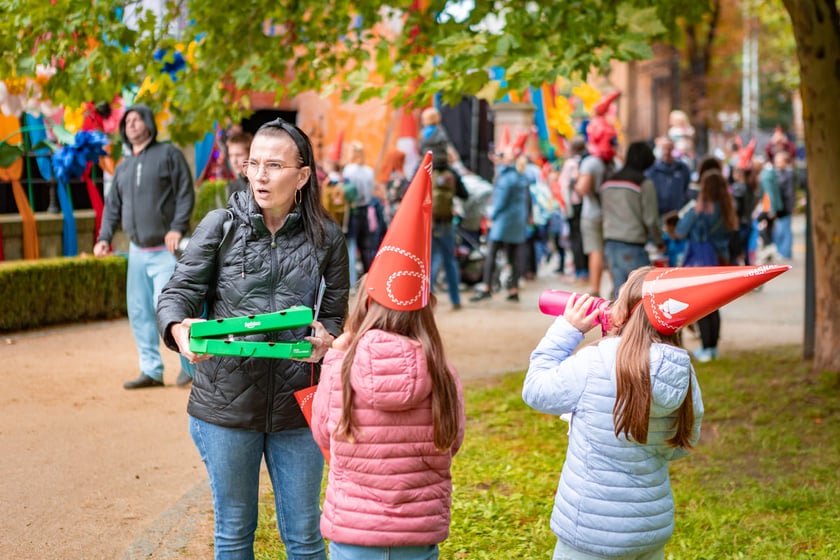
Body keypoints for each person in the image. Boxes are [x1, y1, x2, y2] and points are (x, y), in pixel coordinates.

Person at [156, 117, 350, 559]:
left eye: (275, 165)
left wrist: (327, 336)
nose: (260, 175)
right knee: (234, 532)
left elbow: (335, 312)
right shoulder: (219, 225)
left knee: (304, 537)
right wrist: (178, 328)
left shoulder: (327, 238)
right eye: (254, 163)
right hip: (224, 405)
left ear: (302, 176)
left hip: (297, 406)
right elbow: (177, 294)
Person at [311, 152, 465, 560]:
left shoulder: (340, 365)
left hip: (354, 534)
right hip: (419, 534)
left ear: (365, 306)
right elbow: (454, 441)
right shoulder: (443, 373)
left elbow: (323, 435)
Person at [522, 266, 704, 560]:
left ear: (626, 313)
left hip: (589, 531)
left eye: (618, 297)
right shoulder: (682, 370)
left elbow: (535, 390)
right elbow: (685, 439)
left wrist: (567, 330)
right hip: (648, 530)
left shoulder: (595, 361)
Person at [93, 103, 195, 389]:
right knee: (139, 311)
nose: (132, 124)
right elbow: (112, 206)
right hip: (137, 252)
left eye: (138, 119)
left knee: (169, 309)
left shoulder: (169, 154)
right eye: (128, 121)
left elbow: (185, 193)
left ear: (149, 123)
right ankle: (151, 370)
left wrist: (177, 227)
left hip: (166, 251)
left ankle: (189, 365)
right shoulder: (123, 167)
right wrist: (103, 238)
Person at [674, 170, 739, 362]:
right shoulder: (726, 208)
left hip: (700, 263)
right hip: (720, 260)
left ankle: (705, 348)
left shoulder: (700, 209)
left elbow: (680, 231)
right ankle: (713, 348)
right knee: (715, 306)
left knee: (702, 306)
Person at [419, 107, 469, 310]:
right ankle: (455, 299)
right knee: (450, 260)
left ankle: (425, 301)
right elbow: (465, 195)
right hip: (447, 221)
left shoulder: (422, 172)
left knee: (427, 262)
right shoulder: (450, 174)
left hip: (428, 222)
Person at [600, 141, 664, 298]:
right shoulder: (644, 183)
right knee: (640, 297)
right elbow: (650, 219)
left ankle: (619, 324)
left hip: (610, 244)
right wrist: (659, 242)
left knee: (620, 297)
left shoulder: (608, 182)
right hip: (632, 245)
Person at [469, 145, 531, 303]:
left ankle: (486, 287)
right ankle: (513, 288)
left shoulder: (505, 177)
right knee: (513, 256)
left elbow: (501, 202)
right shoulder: (521, 175)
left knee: (492, 253)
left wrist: (492, 216)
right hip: (517, 221)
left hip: (503, 221)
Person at [575, 92, 620, 298]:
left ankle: (594, 289)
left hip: (592, 212)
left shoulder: (590, 162)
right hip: (611, 213)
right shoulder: (614, 162)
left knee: (596, 251)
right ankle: (614, 287)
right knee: (610, 252)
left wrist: (576, 183)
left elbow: (582, 189)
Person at [343, 140, 377, 285]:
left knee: (350, 246)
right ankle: (370, 281)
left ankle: (351, 283)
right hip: (366, 210)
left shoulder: (348, 170)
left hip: (352, 211)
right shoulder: (369, 171)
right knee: (366, 247)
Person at [558, 136, 589, 282]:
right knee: (584, 237)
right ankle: (585, 270)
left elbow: (563, 184)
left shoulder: (570, 163)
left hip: (574, 204)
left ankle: (580, 271)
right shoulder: (586, 161)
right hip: (586, 203)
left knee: (576, 238)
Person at [759, 151, 796, 261]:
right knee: (780, 231)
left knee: (784, 230)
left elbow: (788, 192)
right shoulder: (777, 173)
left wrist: (790, 206)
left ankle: (785, 252)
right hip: (781, 207)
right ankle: (782, 251)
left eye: (779, 161)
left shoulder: (787, 174)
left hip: (785, 207)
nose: (777, 163)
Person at [646, 136, 692, 218]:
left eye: (669, 148)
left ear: (673, 148)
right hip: (659, 213)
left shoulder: (682, 168)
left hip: (677, 213)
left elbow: (685, 186)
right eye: (665, 148)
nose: (667, 151)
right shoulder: (653, 170)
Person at [225, 130, 252, 199]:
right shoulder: (234, 186)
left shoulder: (260, 183)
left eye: (239, 155)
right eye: (230, 155)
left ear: (250, 154)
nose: (234, 161)